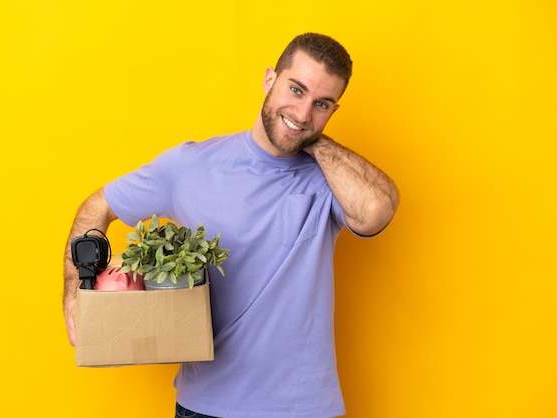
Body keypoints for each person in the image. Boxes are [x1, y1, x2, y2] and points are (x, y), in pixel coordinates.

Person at [63, 32, 399, 418]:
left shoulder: (328, 178)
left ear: (333, 111)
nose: (304, 111)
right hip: (205, 405)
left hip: (304, 408)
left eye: (320, 104)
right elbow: (98, 206)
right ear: (269, 79)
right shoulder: (189, 166)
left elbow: (377, 211)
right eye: (296, 89)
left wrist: (310, 136)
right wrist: (77, 293)